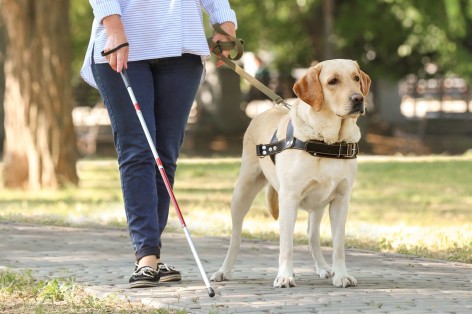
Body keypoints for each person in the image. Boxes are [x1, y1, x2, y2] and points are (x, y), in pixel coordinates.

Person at [81, 0, 237, 288]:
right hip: (121, 43)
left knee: (164, 155)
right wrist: (112, 25)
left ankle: (151, 253)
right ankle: (146, 257)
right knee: (139, 150)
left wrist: (225, 23)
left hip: (182, 48)